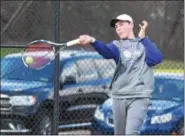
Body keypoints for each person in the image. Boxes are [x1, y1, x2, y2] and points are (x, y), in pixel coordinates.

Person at [78, 13, 163, 135]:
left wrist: (143, 38)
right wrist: (93, 41)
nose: (118, 28)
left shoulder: (144, 44)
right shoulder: (117, 45)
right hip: (119, 96)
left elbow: (155, 59)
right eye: (116, 26)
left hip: (139, 96)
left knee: (131, 133)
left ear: (131, 25)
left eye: (121, 24)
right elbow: (106, 52)